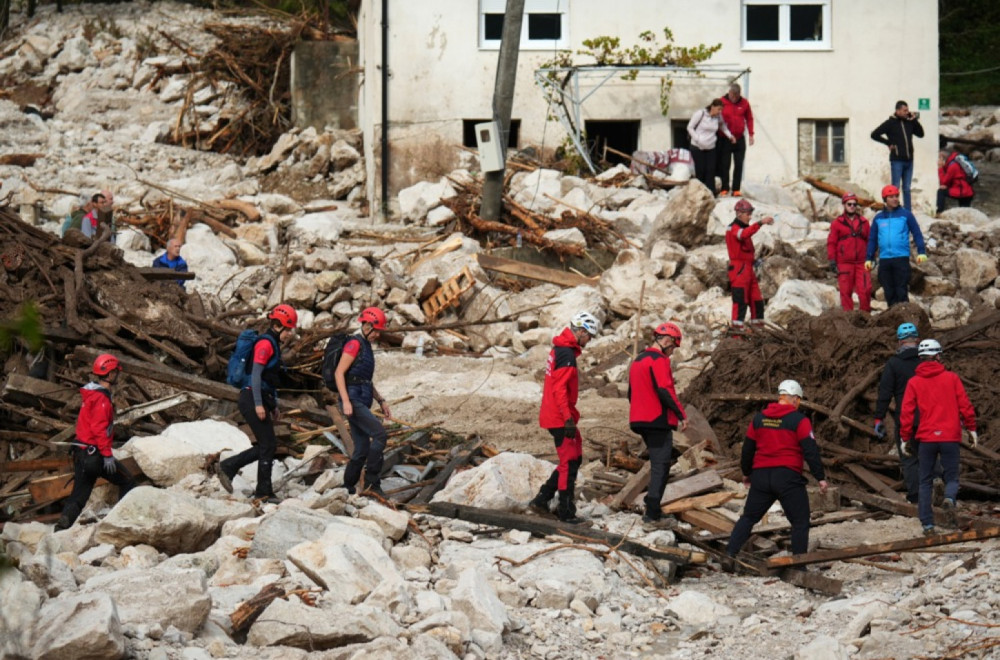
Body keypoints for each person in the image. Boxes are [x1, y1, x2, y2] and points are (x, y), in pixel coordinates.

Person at [726, 380, 828, 558]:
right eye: (799, 400)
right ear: (795, 399)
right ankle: (799, 564)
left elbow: (747, 449)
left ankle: (729, 554)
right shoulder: (799, 420)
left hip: (761, 476)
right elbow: (810, 450)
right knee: (800, 522)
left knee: (748, 518)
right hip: (788, 476)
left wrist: (746, 473)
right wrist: (820, 477)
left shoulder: (759, 419)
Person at [218, 304, 297, 503]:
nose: (290, 334)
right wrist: (259, 404)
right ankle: (261, 490)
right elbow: (255, 374)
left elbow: (269, 380)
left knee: (266, 444)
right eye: (288, 329)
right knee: (268, 444)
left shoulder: (273, 344)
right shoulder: (266, 344)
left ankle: (232, 469)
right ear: (278, 326)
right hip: (251, 398)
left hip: (259, 398)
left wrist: (274, 405)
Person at [899, 339, 977, 535]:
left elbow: (906, 413)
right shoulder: (952, 378)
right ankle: (950, 498)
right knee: (951, 476)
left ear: (921, 358)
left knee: (925, 481)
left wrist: (905, 438)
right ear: (938, 356)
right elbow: (965, 406)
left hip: (926, 438)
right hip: (950, 436)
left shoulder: (914, 382)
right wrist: (972, 428)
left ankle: (927, 525)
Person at [529, 311, 600, 524]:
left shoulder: (560, 349)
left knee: (574, 458)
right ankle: (565, 511)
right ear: (580, 331)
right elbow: (560, 389)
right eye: (589, 336)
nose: (589, 340)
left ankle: (542, 499)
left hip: (557, 414)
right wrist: (568, 419)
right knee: (569, 462)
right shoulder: (566, 355)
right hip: (560, 416)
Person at [55, 353, 135, 530]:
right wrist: (107, 456)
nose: (117, 375)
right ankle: (122, 522)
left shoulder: (91, 394)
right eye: (116, 372)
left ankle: (61, 528)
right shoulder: (102, 400)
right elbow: (99, 430)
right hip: (95, 455)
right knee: (127, 480)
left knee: (78, 497)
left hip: (81, 453)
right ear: (111, 374)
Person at [628, 322, 688, 527]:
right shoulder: (659, 360)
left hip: (638, 420)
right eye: (673, 348)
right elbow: (665, 390)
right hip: (657, 421)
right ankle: (652, 513)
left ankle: (651, 505)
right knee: (661, 466)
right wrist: (681, 415)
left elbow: (631, 393)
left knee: (656, 463)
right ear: (667, 341)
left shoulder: (638, 360)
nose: (671, 353)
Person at [335, 307, 392, 498]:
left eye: (379, 332)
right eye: (375, 330)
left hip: (361, 399)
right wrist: (346, 401)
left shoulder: (366, 346)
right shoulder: (354, 344)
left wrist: (381, 400)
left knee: (361, 448)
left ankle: (347, 487)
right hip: (352, 400)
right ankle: (372, 483)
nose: (377, 334)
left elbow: (365, 379)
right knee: (380, 435)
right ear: (366, 325)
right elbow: (339, 373)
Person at [873, 322, 922, 503]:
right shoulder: (926, 362)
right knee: (929, 453)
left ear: (900, 342)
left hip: (906, 418)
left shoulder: (894, 364)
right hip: (929, 417)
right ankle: (937, 482)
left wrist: (879, 418)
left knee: (909, 457)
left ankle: (915, 496)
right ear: (917, 339)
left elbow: (885, 394)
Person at [865, 185, 928, 307]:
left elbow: (917, 233)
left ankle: (906, 320)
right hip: (884, 260)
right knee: (889, 292)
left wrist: (921, 251)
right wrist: (869, 258)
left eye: (896, 196)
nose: (895, 199)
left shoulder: (906, 215)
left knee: (901, 290)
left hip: (901, 258)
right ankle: (893, 319)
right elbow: (872, 239)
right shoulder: (878, 218)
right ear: (885, 199)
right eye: (891, 197)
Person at [726, 198, 774, 333]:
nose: (750, 217)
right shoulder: (734, 228)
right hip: (739, 271)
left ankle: (758, 331)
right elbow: (743, 235)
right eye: (748, 214)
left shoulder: (742, 228)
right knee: (740, 302)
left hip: (748, 269)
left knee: (757, 301)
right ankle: (737, 334)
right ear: (740, 213)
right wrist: (760, 223)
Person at [870, 101, 925, 210]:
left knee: (907, 188)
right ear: (898, 111)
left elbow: (921, 134)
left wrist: (914, 120)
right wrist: (888, 143)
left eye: (907, 110)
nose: (907, 112)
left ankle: (908, 211)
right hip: (897, 160)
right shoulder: (890, 123)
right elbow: (874, 134)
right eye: (904, 110)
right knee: (895, 187)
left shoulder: (909, 122)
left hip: (909, 160)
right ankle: (894, 209)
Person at [826, 193, 872, 313]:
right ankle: (848, 319)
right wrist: (832, 260)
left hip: (862, 262)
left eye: (854, 204)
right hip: (844, 263)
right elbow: (831, 242)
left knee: (866, 290)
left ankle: (865, 316)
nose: (852, 206)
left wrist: (872, 256)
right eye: (849, 204)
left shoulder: (864, 222)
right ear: (844, 205)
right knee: (845, 292)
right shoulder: (837, 223)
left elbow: (870, 240)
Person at [687, 98, 734, 195]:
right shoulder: (701, 114)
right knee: (700, 170)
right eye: (718, 109)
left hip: (711, 147)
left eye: (721, 110)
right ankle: (699, 193)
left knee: (711, 170)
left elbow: (723, 126)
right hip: (697, 147)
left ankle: (710, 193)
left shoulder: (718, 117)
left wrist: (730, 136)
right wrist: (697, 139)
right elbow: (690, 127)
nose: (720, 112)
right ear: (713, 107)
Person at [717, 83, 755, 198]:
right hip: (725, 138)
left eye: (736, 96)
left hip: (739, 138)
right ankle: (724, 188)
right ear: (729, 92)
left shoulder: (745, 103)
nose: (734, 98)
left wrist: (751, 134)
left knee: (739, 164)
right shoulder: (721, 101)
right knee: (725, 164)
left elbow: (749, 118)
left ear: (739, 94)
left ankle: (736, 189)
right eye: (732, 95)